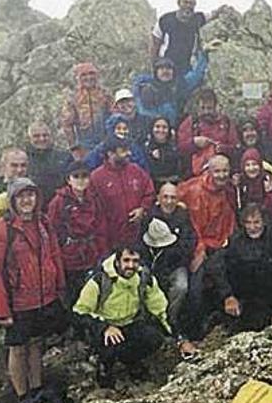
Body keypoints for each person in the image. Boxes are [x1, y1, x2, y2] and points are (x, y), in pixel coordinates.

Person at [0, 178, 68, 403]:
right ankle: (23, 397)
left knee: (36, 343)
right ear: (12, 200)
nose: (26, 200)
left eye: (30, 195)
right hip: (18, 301)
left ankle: (37, 389)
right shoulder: (2, 230)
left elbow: (54, 254)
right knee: (17, 348)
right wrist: (2, 310)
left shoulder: (43, 222)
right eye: (21, 196)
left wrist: (59, 287)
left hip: (43, 297)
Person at [73, 246, 171, 386]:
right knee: (109, 347)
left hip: (131, 323)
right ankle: (105, 367)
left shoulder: (145, 279)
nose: (130, 266)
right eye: (126, 260)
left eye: (135, 261)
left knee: (154, 338)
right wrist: (104, 327)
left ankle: (131, 361)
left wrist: (180, 338)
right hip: (104, 327)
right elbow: (79, 312)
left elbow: (161, 309)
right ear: (117, 261)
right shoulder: (99, 280)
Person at [207, 204, 272, 332]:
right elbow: (217, 266)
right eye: (248, 223)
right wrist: (227, 296)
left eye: (256, 222)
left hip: (267, 293)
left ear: (264, 221)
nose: (252, 227)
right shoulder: (235, 241)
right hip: (241, 293)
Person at [177, 155, 238, 341]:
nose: (221, 175)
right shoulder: (193, 188)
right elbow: (172, 196)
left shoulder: (229, 190)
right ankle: (193, 331)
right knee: (195, 285)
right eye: (217, 171)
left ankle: (227, 319)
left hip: (221, 243)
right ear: (209, 171)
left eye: (225, 171)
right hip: (198, 245)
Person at [46, 160, 107, 308]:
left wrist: (102, 251)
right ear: (69, 179)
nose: (81, 180)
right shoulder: (58, 202)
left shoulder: (94, 198)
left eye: (85, 176)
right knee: (73, 296)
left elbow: (101, 225)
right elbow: (52, 231)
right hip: (70, 257)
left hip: (91, 253)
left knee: (92, 293)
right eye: (76, 176)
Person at [139, 216, 195, 358]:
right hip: (151, 279)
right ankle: (142, 318)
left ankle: (172, 318)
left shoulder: (176, 245)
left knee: (181, 285)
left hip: (171, 271)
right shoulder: (140, 248)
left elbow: (181, 260)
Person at [89, 137, 156, 250]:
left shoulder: (136, 170)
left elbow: (150, 192)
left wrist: (143, 209)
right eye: (123, 150)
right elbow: (94, 210)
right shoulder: (96, 178)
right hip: (112, 240)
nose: (128, 153)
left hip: (139, 236)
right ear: (110, 153)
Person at [177, 88, 239, 176]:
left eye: (209, 108)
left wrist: (222, 149)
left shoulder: (226, 123)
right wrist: (194, 142)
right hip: (196, 175)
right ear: (197, 106)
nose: (206, 112)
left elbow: (235, 148)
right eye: (203, 108)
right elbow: (179, 148)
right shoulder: (190, 123)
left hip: (222, 174)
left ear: (215, 106)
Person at [134, 53, 208, 127]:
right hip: (152, 129)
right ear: (156, 72)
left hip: (175, 128)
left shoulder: (180, 85)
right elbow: (142, 111)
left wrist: (204, 55)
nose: (165, 71)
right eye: (161, 69)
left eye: (169, 68)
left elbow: (196, 75)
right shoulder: (147, 89)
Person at [150, 0, 208, 76]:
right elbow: (155, 44)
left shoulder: (198, 19)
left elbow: (211, 16)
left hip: (187, 67)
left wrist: (221, 11)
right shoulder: (165, 20)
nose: (188, 6)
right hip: (167, 66)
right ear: (178, 3)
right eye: (185, 2)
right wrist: (154, 65)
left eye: (191, 3)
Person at [60, 62, 112, 148]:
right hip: (84, 143)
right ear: (78, 78)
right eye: (83, 75)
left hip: (106, 141)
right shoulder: (73, 97)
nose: (88, 77)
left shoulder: (105, 94)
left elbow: (115, 115)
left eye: (92, 73)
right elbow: (67, 124)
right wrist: (73, 147)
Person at [25, 121, 72, 212]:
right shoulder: (23, 160)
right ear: (29, 138)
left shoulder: (64, 157)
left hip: (60, 209)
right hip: (34, 210)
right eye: (36, 136)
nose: (41, 139)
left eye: (45, 135)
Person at [84, 112, 150, 172]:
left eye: (125, 129)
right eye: (118, 128)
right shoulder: (101, 148)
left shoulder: (134, 148)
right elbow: (89, 166)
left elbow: (143, 169)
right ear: (111, 130)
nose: (122, 131)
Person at [234, 148, 272, 218]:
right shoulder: (240, 182)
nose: (251, 168)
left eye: (254, 164)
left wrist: (269, 193)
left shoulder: (267, 180)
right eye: (247, 165)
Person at [144, 116, 181, 187]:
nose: (161, 130)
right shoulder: (145, 147)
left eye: (164, 127)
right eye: (157, 127)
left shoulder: (175, 148)